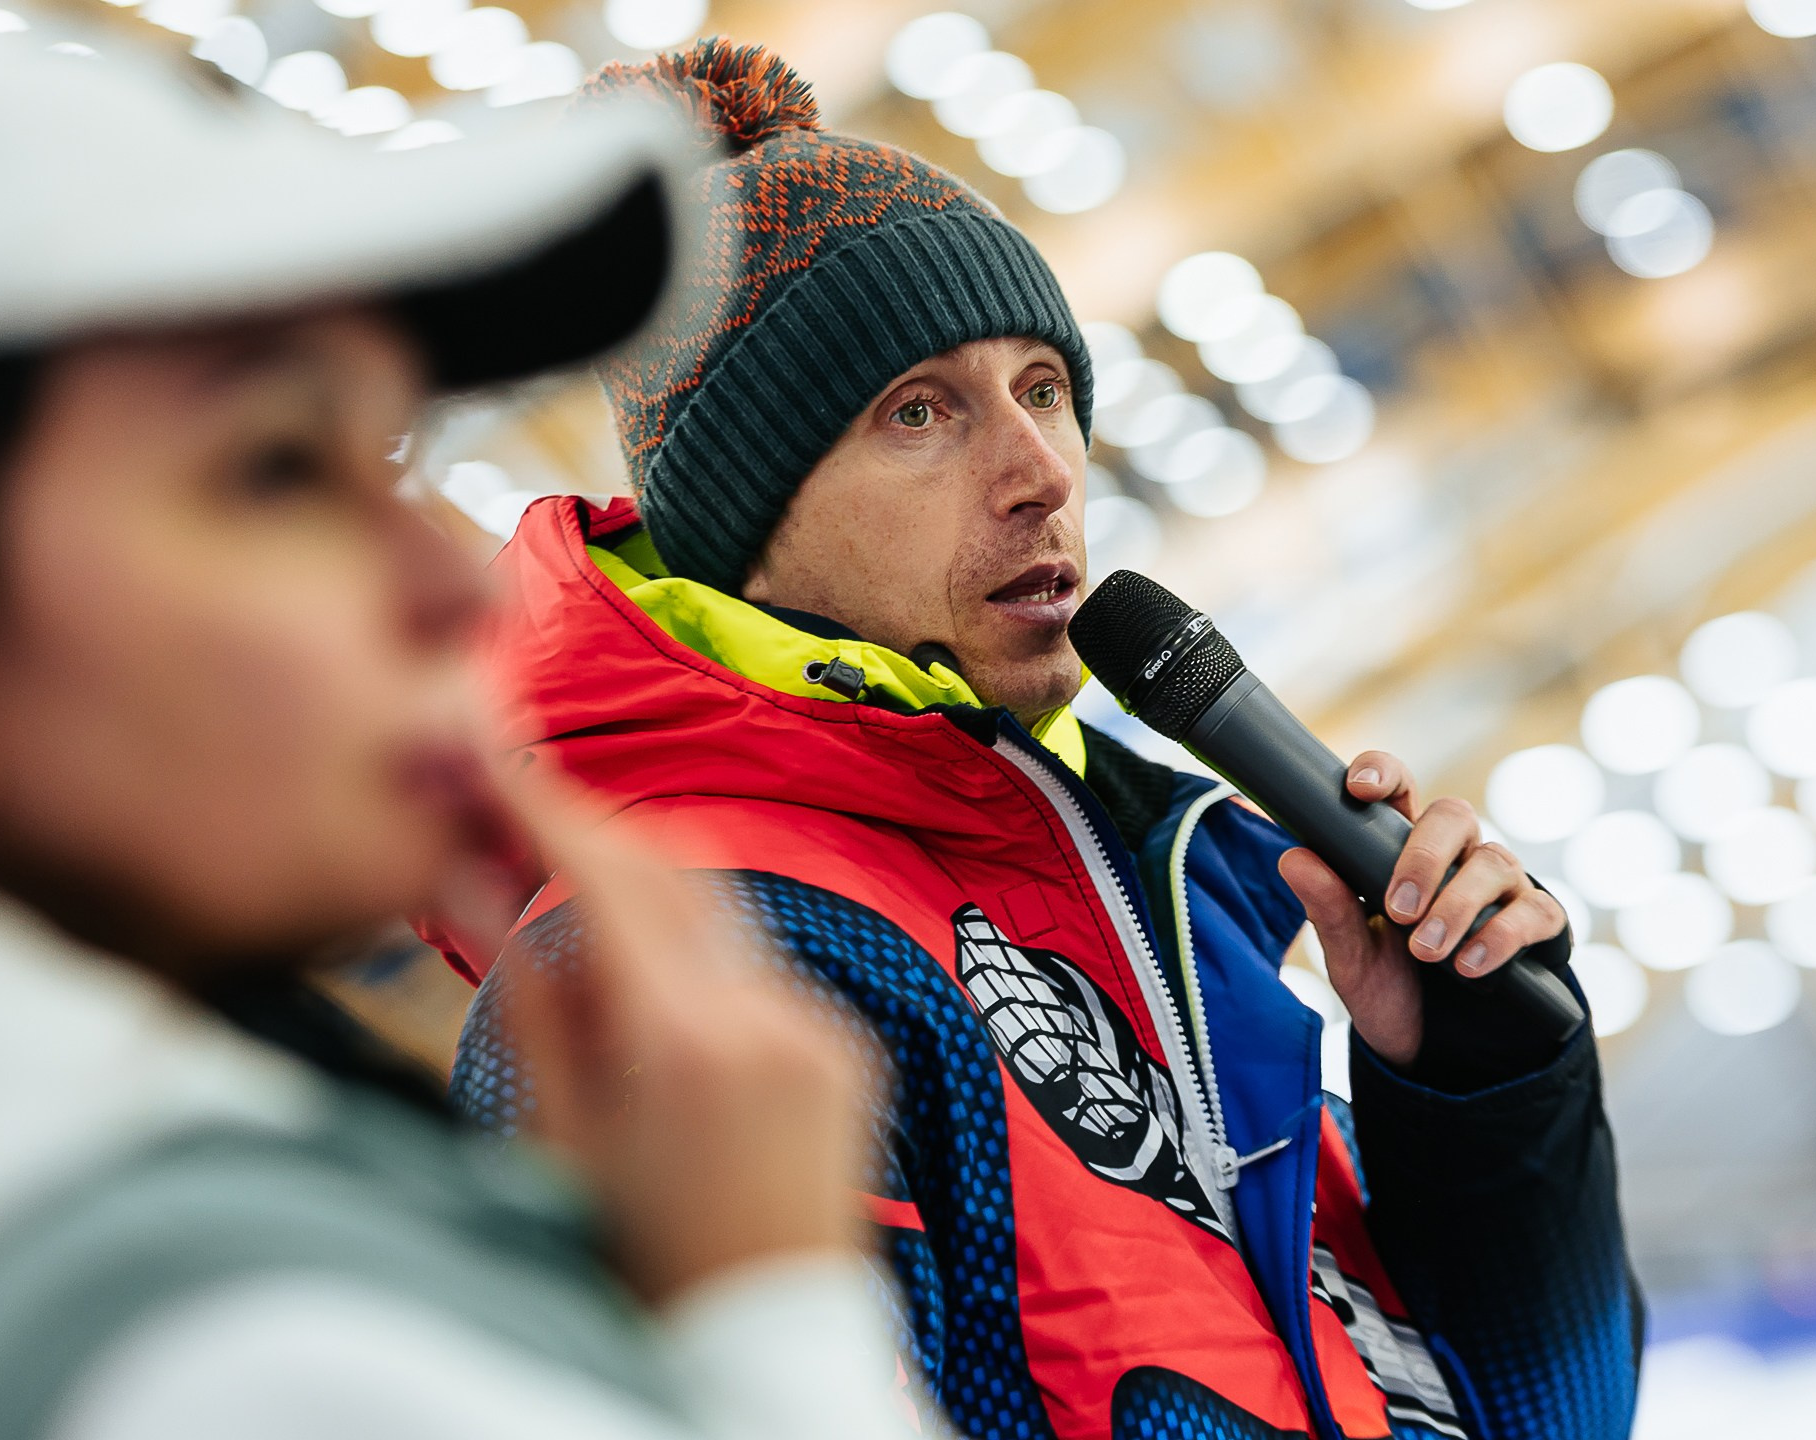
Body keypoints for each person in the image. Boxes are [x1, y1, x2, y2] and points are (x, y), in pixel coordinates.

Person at [443, 37, 1643, 1440]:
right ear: (743, 521)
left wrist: (1481, 1090)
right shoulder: (682, 965)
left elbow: (1553, 1418)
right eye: (919, 413)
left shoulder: (1167, 902)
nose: (1040, 473)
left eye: (1043, 390)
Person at [0, 30, 921, 1440]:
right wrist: (766, 1306)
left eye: (390, 457)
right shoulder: (233, 1349)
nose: (453, 579)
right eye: (277, 466)